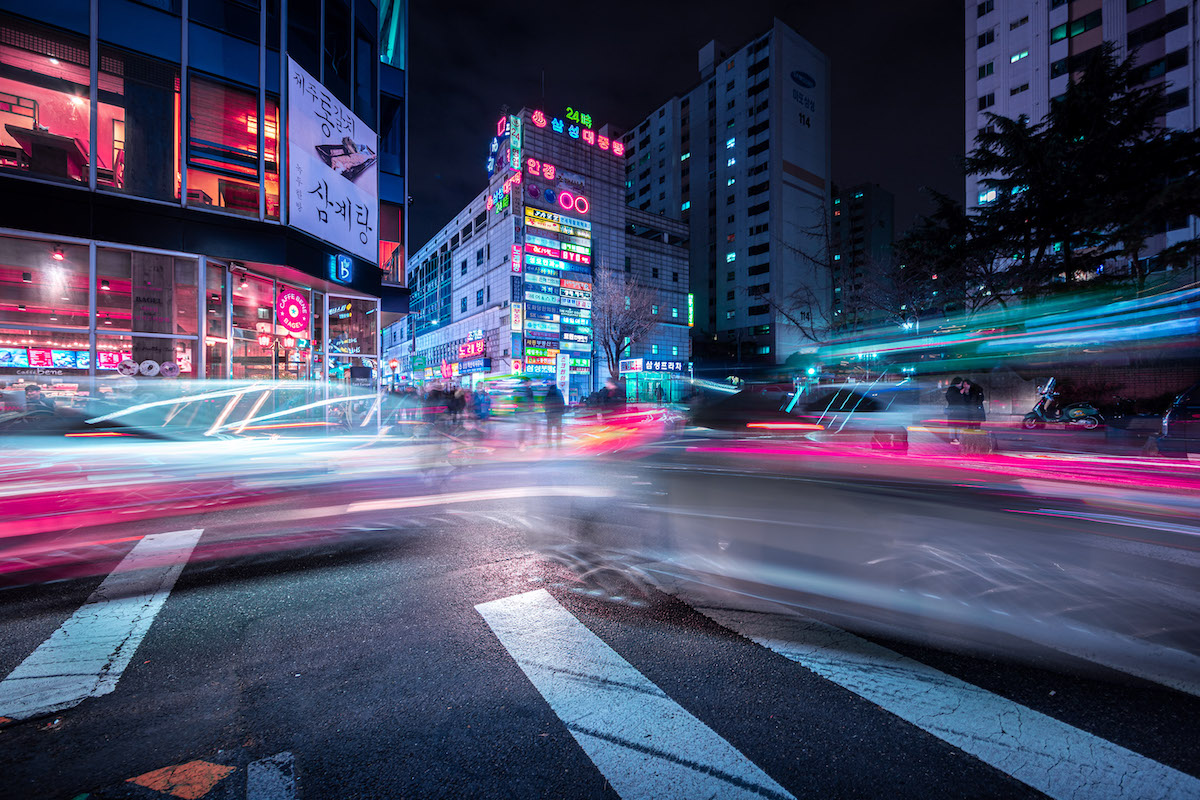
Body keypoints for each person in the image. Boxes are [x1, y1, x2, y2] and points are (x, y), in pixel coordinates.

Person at [945, 377, 967, 444]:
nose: (961, 384)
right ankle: (954, 438)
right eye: (960, 383)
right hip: (954, 410)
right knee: (954, 425)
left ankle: (956, 438)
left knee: (957, 424)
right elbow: (952, 399)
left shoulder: (953, 389)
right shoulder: (952, 390)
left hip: (956, 410)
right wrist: (960, 394)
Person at [514, 377, 534, 448]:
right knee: (523, 427)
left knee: (523, 427)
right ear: (527, 382)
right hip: (523, 411)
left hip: (524, 411)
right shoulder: (524, 390)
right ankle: (521, 441)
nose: (531, 383)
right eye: (530, 382)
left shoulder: (528, 389)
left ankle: (521, 441)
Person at [544, 382, 566, 447]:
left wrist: (546, 412)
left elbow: (546, 403)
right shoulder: (559, 393)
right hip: (558, 414)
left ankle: (549, 443)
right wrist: (562, 411)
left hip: (550, 414)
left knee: (549, 429)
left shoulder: (548, 393)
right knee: (558, 429)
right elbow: (562, 402)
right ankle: (559, 443)